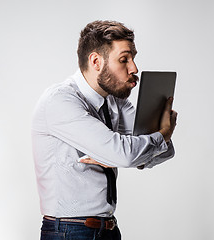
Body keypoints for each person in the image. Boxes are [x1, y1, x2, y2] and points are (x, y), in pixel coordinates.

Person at [32, 20, 177, 240]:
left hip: (108, 229)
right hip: (69, 232)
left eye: (133, 58)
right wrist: (159, 137)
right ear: (96, 61)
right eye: (124, 59)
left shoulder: (114, 102)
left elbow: (164, 152)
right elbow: (129, 154)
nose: (134, 68)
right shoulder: (60, 101)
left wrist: (120, 154)